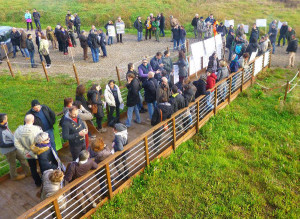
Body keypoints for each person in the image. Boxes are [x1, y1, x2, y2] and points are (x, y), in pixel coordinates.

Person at [14, 114, 43, 186]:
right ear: (33, 120)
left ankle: (38, 183)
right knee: (42, 165)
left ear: (24, 120)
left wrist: (24, 151)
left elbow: (16, 143)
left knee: (33, 168)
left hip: (28, 153)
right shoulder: (37, 129)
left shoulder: (18, 131)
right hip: (38, 152)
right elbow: (42, 140)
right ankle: (45, 180)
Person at [0, 114, 30, 180]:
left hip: (14, 147)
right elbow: (2, 144)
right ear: (3, 120)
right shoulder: (1, 130)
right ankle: (14, 176)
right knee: (13, 163)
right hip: (8, 151)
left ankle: (28, 172)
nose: (7, 118)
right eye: (6, 117)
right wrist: (14, 143)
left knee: (23, 159)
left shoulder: (4, 125)